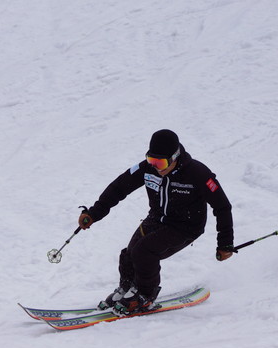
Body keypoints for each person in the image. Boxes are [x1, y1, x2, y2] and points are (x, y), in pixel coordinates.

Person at [78, 129, 235, 315]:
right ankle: (127, 290)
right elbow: (119, 187)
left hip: (185, 226)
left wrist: (225, 243)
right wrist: (94, 213)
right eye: (152, 160)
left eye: (160, 162)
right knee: (129, 253)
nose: (156, 167)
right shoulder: (146, 168)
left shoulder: (198, 173)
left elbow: (222, 207)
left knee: (144, 252)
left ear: (175, 157)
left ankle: (145, 296)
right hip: (156, 218)